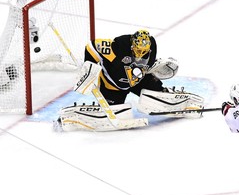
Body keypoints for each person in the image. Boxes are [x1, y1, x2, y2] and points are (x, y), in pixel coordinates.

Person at [55, 29, 204, 132]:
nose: (139, 54)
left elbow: (147, 65)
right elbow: (91, 46)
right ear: (132, 43)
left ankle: (175, 101)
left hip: (138, 80)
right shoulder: (117, 46)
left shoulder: (152, 47)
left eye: (143, 52)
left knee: (158, 93)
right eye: (137, 50)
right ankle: (71, 118)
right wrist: (89, 68)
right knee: (117, 113)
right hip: (112, 84)